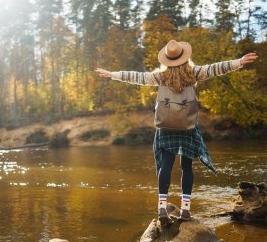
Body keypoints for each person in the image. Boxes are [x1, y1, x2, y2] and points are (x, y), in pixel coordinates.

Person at [95, 40, 257, 225]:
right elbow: (216, 68)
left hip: (166, 126)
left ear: (167, 60)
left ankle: (162, 208)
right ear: (185, 57)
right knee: (187, 167)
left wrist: (112, 74)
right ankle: (185, 211)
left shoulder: (160, 77)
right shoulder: (194, 73)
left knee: (166, 165)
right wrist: (239, 61)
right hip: (187, 126)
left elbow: (136, 77)